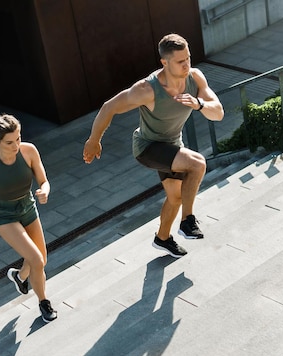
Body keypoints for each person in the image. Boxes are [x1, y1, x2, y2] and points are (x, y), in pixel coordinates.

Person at [83, 33, 224, 257]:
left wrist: (198, 103)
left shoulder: (195, 78)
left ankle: (163, 238)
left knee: (176, 196)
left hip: (172, 145)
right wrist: (94, 140)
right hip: (148, 147)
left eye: (188, 58)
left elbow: (218, 113)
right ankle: (188, 222)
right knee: (197, 163)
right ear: (164, 62)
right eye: (180, 61)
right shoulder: (146, 90)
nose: (187, 64)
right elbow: (109, 107)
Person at [0, 113, 57, 322]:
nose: (16, 145)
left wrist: (45, 190)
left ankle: (20, 275)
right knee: (36, 259)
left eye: (18, 139)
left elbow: (44, 180)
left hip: (27, 207)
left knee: (41, 260)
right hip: (4, 215)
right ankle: (44, 303)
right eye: (9, 142)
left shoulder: (29, 151)